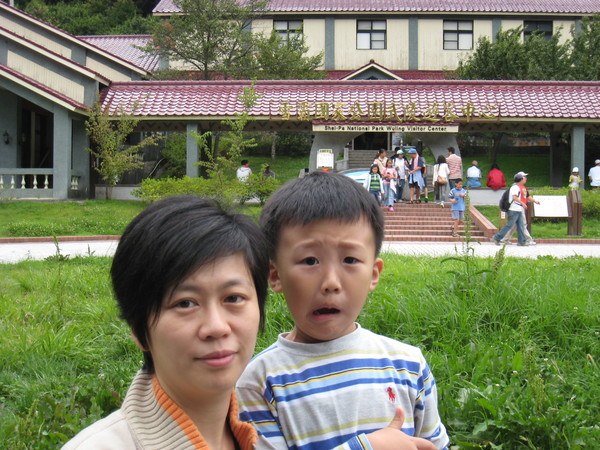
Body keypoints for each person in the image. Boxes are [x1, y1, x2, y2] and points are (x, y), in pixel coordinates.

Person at [237, 172, 449, 450]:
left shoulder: (408, 365)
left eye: (350, 259)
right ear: (275, 275)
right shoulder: (259, 381)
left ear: (374, 274)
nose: (331, 283)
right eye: (310, 260)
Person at [63, 196, 270, 450]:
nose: (216, 327)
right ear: (139, 329)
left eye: (234, 298)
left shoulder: (264, 440)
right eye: (185, 303)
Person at [491, 172, 533, 246]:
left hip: (518, 209)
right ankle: (497, 237)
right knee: (509, 225)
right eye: (524, 178)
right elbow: (514, 197)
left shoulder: (520, 187)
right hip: (513, 209)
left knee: (521, 226)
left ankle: (522, 241)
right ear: (520, 179)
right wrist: (522, 203)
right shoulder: (515, 187)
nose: (525, 179)